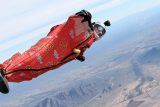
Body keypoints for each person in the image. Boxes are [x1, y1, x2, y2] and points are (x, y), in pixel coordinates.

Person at [0, 10, 110, 94]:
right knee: (33, 57)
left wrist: (80, 56)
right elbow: (71, 23)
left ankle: (8, 77)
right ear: (94, 25)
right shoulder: (84, 28)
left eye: (100, 33)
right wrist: (82, 15)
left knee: (36, 71)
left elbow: (79, 49)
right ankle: (4, 70)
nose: (97, 33)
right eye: (97, 29)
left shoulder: (87, 41)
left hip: (56, 60)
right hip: (52, 47)